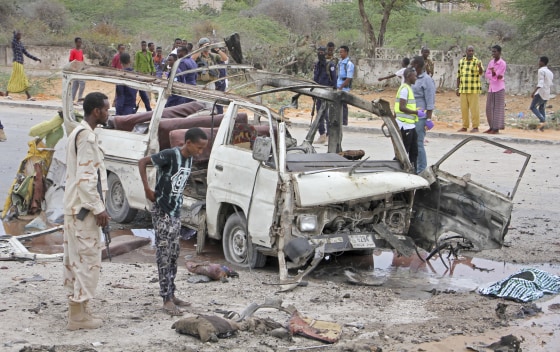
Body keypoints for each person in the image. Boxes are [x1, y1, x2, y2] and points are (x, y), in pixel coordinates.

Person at [138, 128, 209, 316]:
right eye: (199, 147)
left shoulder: (189, 159)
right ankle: (166, 299)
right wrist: (147, 189)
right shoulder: (170, 155)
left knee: (173, 254)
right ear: (188, 143)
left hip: (175, 212)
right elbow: (143, 162)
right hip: (162, 211)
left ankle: (172, 293)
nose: (200, 152)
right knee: (164, 253)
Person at [63, 92, 110, 330]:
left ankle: (80, 310)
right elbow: (86, 180)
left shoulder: (77, 132)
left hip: (74, 210)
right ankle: (78, 316)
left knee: (75, 261)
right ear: (96, 112)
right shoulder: (87, 138)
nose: (108, 112)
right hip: (84, 211)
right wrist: (99, 209)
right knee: (87, 261)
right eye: (106, 109)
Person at [410, 56, 436, 174]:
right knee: (412, 144)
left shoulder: (427, 80)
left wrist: (428, 119)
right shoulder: (412, 78)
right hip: (411, 115)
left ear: (417, 65)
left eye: (412, 64)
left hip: (421, 116)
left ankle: (422, 170)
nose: (411, 66)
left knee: (418, 143)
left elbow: (430, 100)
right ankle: (414, 167)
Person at [394, 68, 421, 169]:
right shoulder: (405, 89)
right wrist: (416, 112)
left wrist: (416, 111)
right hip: (405, 125)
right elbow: (401, 107)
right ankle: (397, 170)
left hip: (410, 125)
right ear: (409, 77)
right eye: (414, 76)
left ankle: (413, 171)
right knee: (404, 152)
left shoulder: (408, 88)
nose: (416, 78)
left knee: (414, 151)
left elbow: (405, 106)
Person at [4, 30, 42, 101]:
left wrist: (35, 58)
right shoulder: (14, 42)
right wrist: (14, 33)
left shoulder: (20, 44)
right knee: (22, 79)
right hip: (16, 63)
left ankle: (6, 94)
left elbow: (26, 53)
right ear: (16, 36)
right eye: (18, 35)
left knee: (15, 78)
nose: (20, 36)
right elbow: (13, 38)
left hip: (20, 63)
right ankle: (28, 96)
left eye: (20, 35)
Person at [312, 46, 337, 144]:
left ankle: (329, 135)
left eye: (322, 52)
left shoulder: (330, 65)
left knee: (327, 115)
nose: (320, 54)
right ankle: (322, 134)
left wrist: (333, 92)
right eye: (319, 52)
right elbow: (315, 78)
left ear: (325, 53)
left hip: (327, 93)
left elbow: (334, 80)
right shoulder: (317, 65)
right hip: (318, 92)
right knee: (319, 114)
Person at [456, 45, 484, 132]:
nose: (471, 52)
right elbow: (458, 76)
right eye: (469, 51)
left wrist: (479, 67)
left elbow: (481, 72)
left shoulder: (477, 61)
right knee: (464, 109)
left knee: (474, 109)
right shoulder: (461, 62)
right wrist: (457, 88)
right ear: (466, 51)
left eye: (472, 51)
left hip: (473, 89)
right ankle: (464, 126)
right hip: (463, 89)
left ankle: (475, 127)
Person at [484, 45, 507, 134]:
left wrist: (494, 74)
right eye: (492, 52)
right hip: (491, 88)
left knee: (497, 109)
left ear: (499, 52)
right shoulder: (491, 62)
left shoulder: (502, 63)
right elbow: (487, 74)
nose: (493, 53)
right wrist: (494, 75)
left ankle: (496, 128)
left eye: (495, 52)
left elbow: (498, 74)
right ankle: (491, 126)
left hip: (499, 88)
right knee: (489, 108)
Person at [530, 56, 554, 132]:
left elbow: (540, 83)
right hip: (547, 92)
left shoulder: (541, 70)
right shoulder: (550, 72)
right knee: (541, 108)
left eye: (539, 61)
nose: (538, 63)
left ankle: (543, 120)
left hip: (540, 92)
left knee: (532, 107)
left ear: (542, 62)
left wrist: (534, 92)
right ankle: (541, 127)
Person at [336, 45, 354, 126]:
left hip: (344, 87)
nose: (340, 53)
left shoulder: (349, 64)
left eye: (341, 52)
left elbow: (348, 78)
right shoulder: (340, 62)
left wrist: (341, 88)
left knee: (343, 105)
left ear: (346, 52)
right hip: (338, 85)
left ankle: (344, 121)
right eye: (340, 52)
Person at [134, 41, 154, 112]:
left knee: (148, 88)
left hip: (148, 73)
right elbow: (136, 63)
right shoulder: (138, 54)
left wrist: (153, 71)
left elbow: (151, 62)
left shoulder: (149, 53)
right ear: (141, 46)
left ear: (146, 46)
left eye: (144, 45)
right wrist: (136, 71)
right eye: (142, 45)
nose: (143, 47)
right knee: (141, 88)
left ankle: (148, 104)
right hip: (140, 73)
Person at [69, 37, 86, 104]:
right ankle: (79, 99)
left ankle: (72, 99)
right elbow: (70, 60)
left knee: (75, 84)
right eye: (78, 42)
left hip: (80, 69)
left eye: (80, 42)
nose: (80, 43)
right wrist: (74, 68)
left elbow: (81, 60)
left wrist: (83, 66)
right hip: (76, 70)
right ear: (76, 43)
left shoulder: (81, 51)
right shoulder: (73, 51)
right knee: (82, 83)